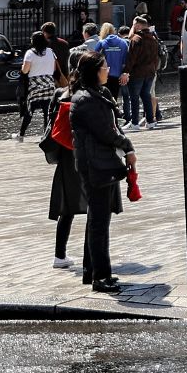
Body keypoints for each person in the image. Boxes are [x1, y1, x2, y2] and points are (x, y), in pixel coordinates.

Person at [68, 51, 134, 293]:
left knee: (100, 220)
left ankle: (94, 271)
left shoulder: (99, 94)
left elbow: (113, 125)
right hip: (94, 165)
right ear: (95, 70)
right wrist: (128, 148)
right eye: (105, 66)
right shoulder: (85, 99)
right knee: (98, 222)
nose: (108, 69)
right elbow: (107, 132)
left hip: (102, 162)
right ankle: (100, 276)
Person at [42, 56, 85, 271]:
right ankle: (92, 257)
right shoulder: (89, 95)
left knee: (67, 208)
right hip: (86, 156)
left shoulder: (60, 94)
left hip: (66, 157)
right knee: (96, 207)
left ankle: (60, 255)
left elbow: (49, 125)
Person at [18, 30, 60, 141]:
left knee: (29, 110)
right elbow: (55, 68)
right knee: (47, 111)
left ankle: (21, 134)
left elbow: (25, 70)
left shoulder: (30, 53)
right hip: (49, 84)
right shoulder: (51, 51)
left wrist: (23, 68)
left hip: (35, 85)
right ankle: (46, 135)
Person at [123, 21, 162, 129]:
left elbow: (131, 58)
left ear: (138, 26)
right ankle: (150, 121)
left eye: (134, 24)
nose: (133, 26)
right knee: (146, 96)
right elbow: (156, 57)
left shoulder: (136, 39)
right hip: (150, 72)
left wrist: (126, 71)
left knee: (134, 98)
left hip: (137, 73)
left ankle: (135, 122)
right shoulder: (153, 39)